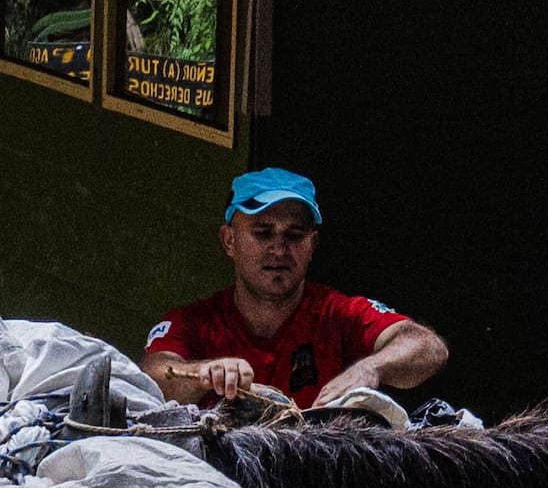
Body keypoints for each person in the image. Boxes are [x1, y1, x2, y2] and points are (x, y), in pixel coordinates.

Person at [143, 169, 446, 409]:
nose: (279, 249)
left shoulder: (335, 313)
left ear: (312, 244)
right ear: (229, 241)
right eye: (262, 233)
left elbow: (426, 345)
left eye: (294, 234)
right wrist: (202, 375)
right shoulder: (193, 322)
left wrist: (372, 369)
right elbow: (153, 375)